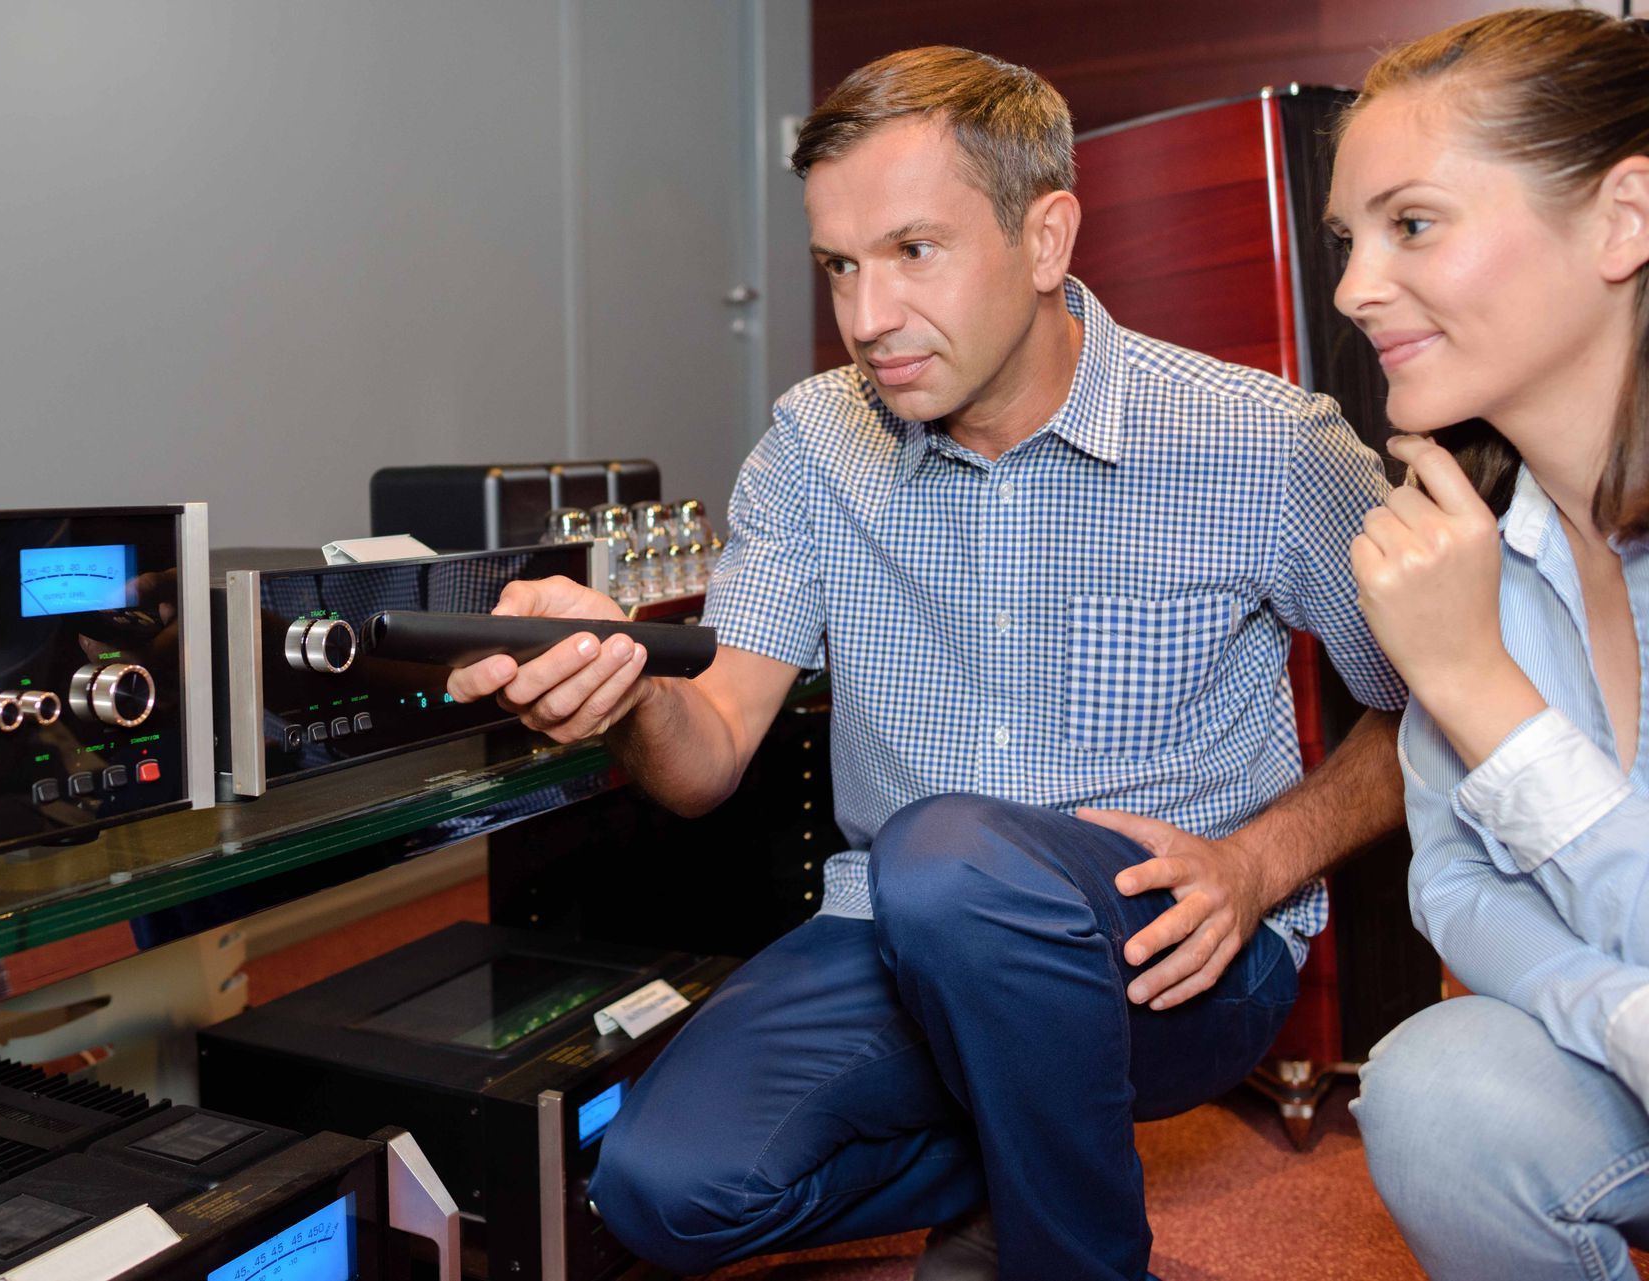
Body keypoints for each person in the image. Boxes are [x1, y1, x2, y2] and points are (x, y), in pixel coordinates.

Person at [449, 47, 1406, 1281]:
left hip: (1180, 947)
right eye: (840, 265)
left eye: (914, 252)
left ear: (1047, 235)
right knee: (658, 1189)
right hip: (901, 933)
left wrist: (1253, 865)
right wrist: (629, 681)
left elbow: (1431, 713)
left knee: (949, 854)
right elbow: (711, 753)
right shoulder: (812, 443)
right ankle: (1025, 1165)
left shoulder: (1258, 442)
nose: (865, 319)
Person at [1324, 10, 1649, 1281]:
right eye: (1351, 239)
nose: (1353, 286)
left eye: (1412, 224)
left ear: (1626, 220)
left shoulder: (1454, 609)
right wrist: (1618, 1014)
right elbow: (1453, 887)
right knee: (1440, 1090)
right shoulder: (1461, 542)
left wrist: (1475, 684)